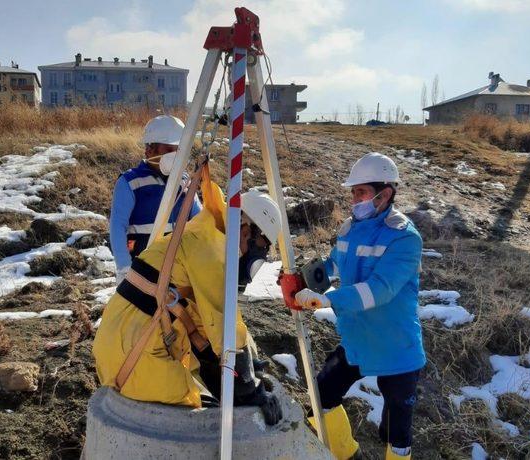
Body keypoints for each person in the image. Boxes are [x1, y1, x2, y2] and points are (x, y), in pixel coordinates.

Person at [94, 166, 283, 425]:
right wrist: (250, 390)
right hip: (134, 355)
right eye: (262, 246)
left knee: (202, 386)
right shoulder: (211, 250)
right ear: (246, 228)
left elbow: (201, 326)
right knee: (196, 414)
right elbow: (224, 328)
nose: (257, 255)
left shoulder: (206, 232)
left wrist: (244, 371)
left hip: (118, 342)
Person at [294, 152, 425, 460]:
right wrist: (301, 279)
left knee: (396, 431)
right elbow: (332, 267)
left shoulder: (405, 238)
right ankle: (347, 455)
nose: (355, 199)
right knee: (320, 395)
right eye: (353, 192)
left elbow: (380, 290)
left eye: (361, 192)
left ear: (385, 194)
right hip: (357, 340)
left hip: (397, 347)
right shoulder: (349, 230)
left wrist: (330, 299)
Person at [109, 115, 201, 284]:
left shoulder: (184, 181)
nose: (175, 156)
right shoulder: (130, 182)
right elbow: (117, 227)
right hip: (141, 267)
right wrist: (124, 268)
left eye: (179, 150)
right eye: (169, 150)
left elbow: (200, 221)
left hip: (178, 269)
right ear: (149, 150)